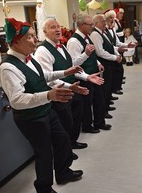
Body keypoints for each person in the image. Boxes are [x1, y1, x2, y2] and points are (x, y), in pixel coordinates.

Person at [0, 18, 84, 193]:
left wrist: (65, 73)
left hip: (45, 110)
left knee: (62, 139)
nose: (35, 40)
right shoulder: (7, 68)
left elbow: (42, 75)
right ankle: (44, 187)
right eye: (29, 37)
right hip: (30, 118)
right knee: (44, 153)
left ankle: (62, 172)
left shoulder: (29, 58)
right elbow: (17, 100)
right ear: (16, 41)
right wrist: (49, 96)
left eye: (34, 35)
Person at [35, 18, 102, 152]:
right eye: (53, 27)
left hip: (73, 89)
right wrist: (69, 86)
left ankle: (72, 142)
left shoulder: (62, 46)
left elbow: (73, 68)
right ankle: (65, 151)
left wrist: (87, 77)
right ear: (44, 32)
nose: (58, 29)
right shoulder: (42, 51)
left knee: (75, 119)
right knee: (63, 125)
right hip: (60, 94)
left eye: (58, 26)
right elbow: (49, 79)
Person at [66, 14, 111, 133]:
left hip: (93, 73)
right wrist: (85, 54)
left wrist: (97, 63)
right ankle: (87, 126)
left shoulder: (87, 37)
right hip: (84, 77)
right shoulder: (74, 41)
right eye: (90, 24)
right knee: (87, 104)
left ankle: (99, 122)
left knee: (98, 100)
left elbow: (91, 53)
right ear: (81, 25)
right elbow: (73, 63)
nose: (92, 26)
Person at [90, 14, 123, 119]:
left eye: (105, 21)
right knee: (104, 90)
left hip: (108, 64)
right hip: (104, 64)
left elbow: (110, 46)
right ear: (96, 24)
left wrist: (118, 52)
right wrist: (115, 57)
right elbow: (100, 52)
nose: (105, 23)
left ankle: (106, 106)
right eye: (102, 21)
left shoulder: (102, 33)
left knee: (108, 87)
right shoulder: (95, 34)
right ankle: (103, 112)